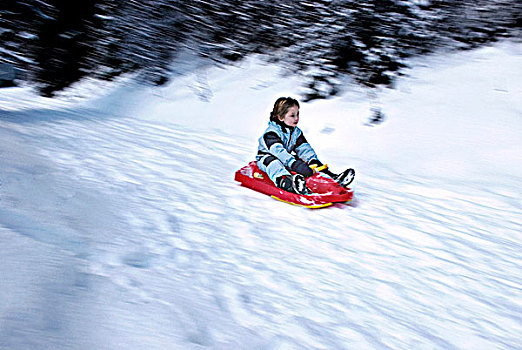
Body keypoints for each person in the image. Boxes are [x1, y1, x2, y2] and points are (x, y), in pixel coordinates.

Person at [256, 97, 355, 194]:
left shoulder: (296, 132)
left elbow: (304, 148)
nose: (297, 118)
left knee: (308, 164)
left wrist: (312, 160)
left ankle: (332, 178)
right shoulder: (271, 133)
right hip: (266, 158)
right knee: (274, 164)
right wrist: (294, 164)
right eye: (292, 115)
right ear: (281, 117)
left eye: (297, 114)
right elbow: (279, 152)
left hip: (286, 158)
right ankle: (288, 183)